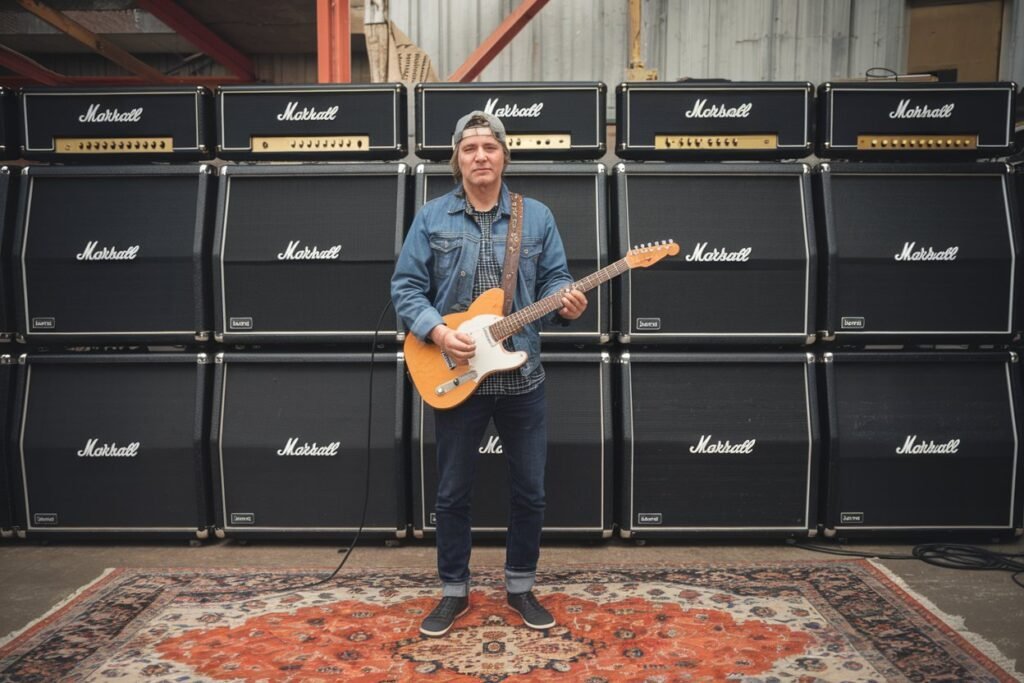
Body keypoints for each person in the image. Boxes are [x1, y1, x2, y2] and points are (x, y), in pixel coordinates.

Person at [391, 111, 587, 637]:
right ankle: (453, 591)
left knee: (531, 491)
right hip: (455, 375)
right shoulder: (432, 218)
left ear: (504, 156)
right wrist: (436, 333)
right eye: (470, 147)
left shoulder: (536, 216)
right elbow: (405, 288)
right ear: (457, 158)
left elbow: (557, 280)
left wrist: (569, 303)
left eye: (489, 147)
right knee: (453, 491)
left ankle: (520, 586)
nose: (480, 156)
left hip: (523, 378)